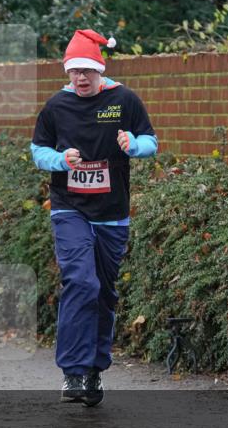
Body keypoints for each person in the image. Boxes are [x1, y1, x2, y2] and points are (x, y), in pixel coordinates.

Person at [31, 29, 157, 407]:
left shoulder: (124, 100)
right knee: (81, 282)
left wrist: (133, 146)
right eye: (74, 71)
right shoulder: (57, 106)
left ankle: (94, 369)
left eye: (87, 70)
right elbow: (37, 151)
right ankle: (72, 371)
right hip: (70, 207)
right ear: (67, 73)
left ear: (100, 68)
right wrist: (59, 159)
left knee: (103, 292)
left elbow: (151, 142)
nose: (81, 78)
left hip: (112, 214)